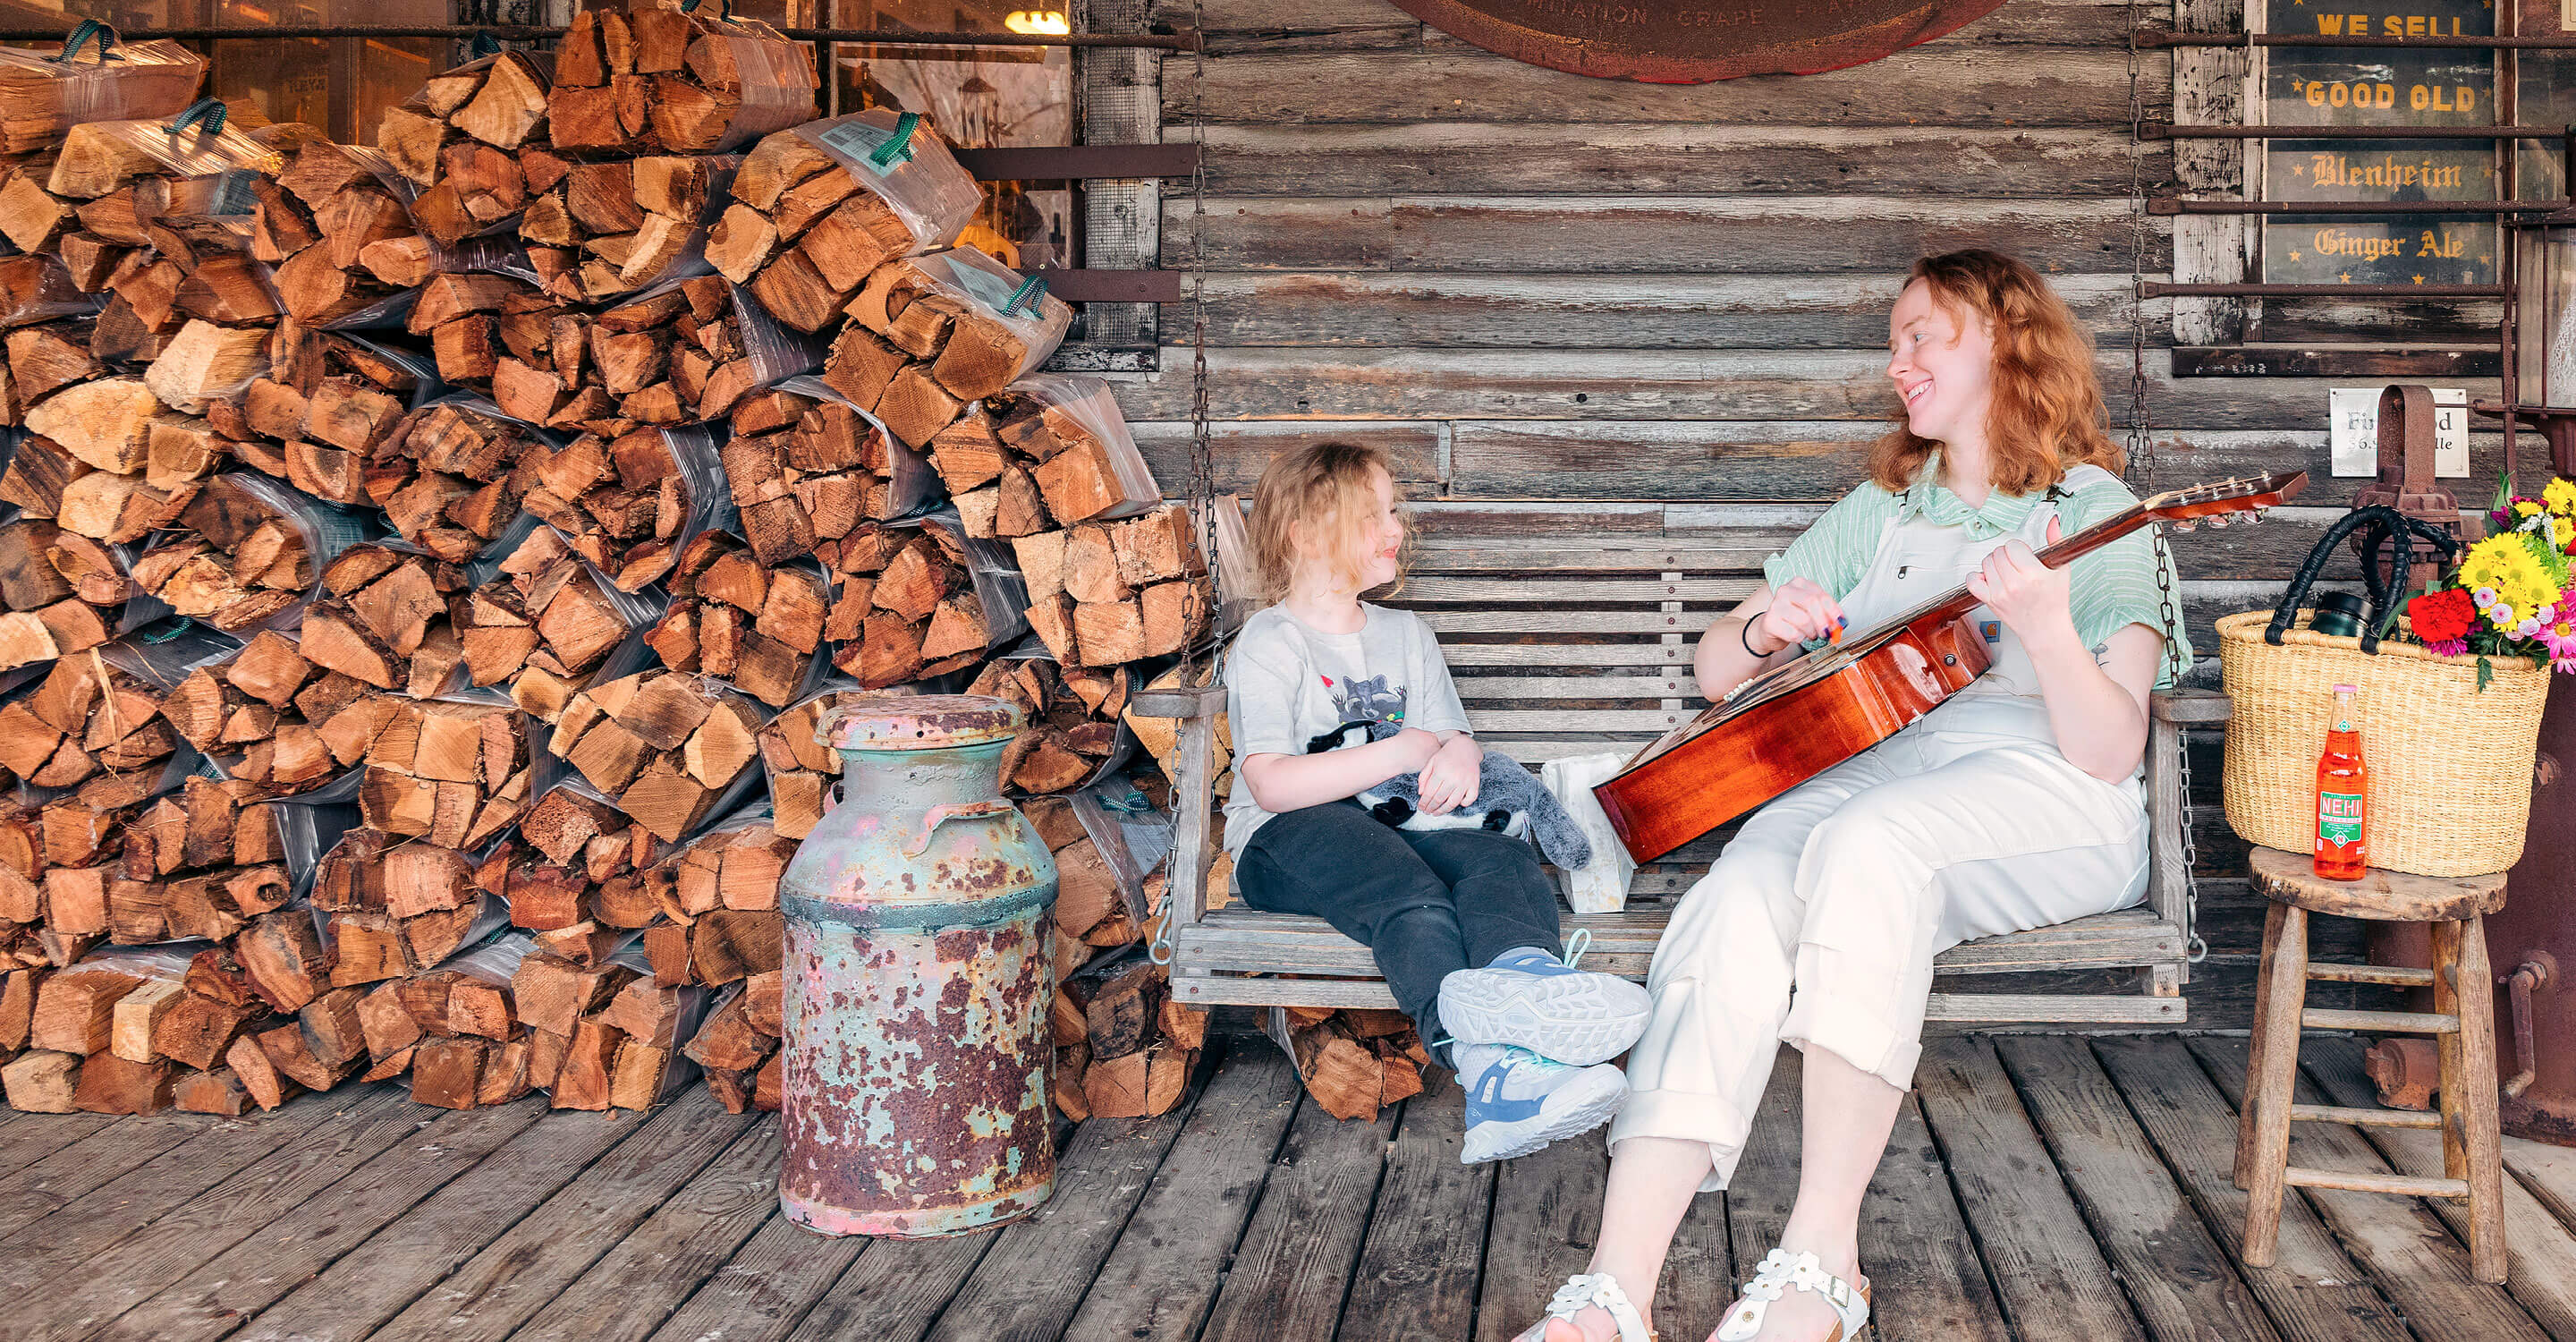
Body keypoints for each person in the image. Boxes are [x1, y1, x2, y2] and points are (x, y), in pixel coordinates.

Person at [1519, 250, 2190, 1342]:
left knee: (1874, 845)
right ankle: (1612, 1293)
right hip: (1882, 768)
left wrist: (2049, 626)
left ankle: (1820, 1266)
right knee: (1735, 898)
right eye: (1894, 341)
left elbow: (2113, 746)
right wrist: (1760, 629)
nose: (1898, 363)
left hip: (2048, 787)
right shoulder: (1882, 510)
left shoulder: (2097, 512)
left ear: (2003, 337)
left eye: (1922, 333)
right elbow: (1715, 668)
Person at [1224, 441, 1654, 1164]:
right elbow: (1271, 781)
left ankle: (1529, 991)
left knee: (1499, 859)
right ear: (1303, 532)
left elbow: (1450, 738)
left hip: (1403, 822)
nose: (1397, 527)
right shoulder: (1272, 641)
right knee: (1409, 889)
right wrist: (1401, 749)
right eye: (1375, 515)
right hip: (1287, 838)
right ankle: (1487, 1068)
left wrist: (1456, 753)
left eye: (1394, 510)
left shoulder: (1406, 634)